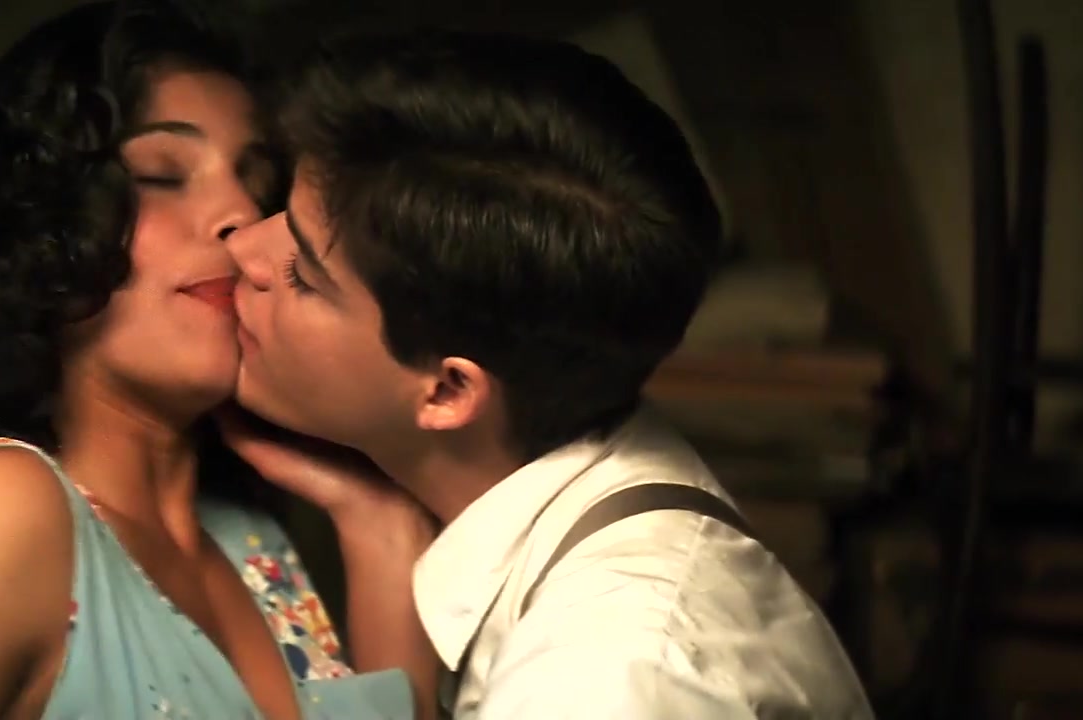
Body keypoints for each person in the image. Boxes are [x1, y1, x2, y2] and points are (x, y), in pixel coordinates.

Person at [0, 3, 436, 718]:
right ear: (37, 226)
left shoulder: (251, 542)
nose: (242, 214)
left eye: (257, 180)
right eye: (160, 175)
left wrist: (379, 519)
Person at [222, 29, 876, 719]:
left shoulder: (601, 680)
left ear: (448, 390)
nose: (242, 247)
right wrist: (378, 520)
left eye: (302, 273)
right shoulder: (595, 469)